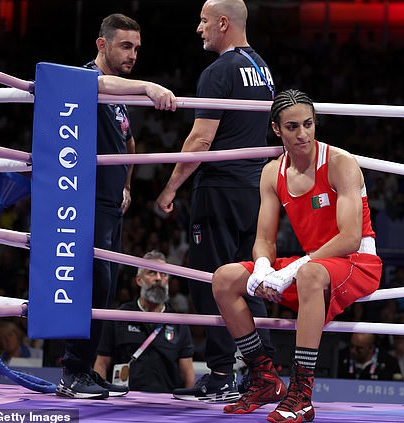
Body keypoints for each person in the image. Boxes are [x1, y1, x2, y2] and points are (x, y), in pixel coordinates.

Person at [211, 89, 382, 423]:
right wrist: (262, 265)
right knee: (224, 279)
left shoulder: (340, 163)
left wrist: (295, 269)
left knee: (309, 273)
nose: (302, 134)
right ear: (277, 129)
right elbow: (263, 239)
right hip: (314, 264)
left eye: (308, 124)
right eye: (292, 127)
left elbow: (349, 238)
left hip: (356, 261)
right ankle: (264, 378)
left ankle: (302, 393)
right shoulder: (271, 172)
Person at [156, 0, 275, 402]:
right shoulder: (262, 68)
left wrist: (170, 188)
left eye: (204, 20)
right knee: (251, 280)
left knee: (214, 282)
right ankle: (264, 372)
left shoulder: (219, 70)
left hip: (220, 190)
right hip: (255, 190)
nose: (199, 28)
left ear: (223, 23)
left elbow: (201, 139)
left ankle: (222, 373)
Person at [56, 13, 177, 400]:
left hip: (110, 203)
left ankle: (85, 372)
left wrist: (126, 185)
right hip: (83, 200)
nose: (133, 54)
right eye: (126, 46)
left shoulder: (118, 101)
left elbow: (128, 142)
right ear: (101, 45)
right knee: (88, 285)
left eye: (137, 48)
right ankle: (72, 371)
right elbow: (103, 82)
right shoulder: (86, 79)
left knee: (103, 289)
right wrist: (148, 86)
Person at [93, 251, 195, 393]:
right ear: (139, 280)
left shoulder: (178, 322)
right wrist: (100, 399)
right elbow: (102, 363)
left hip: (166, 404)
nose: (159, 278)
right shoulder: (118, 316)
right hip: (124, 402)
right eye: (152, 273)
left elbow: (187, 373)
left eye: (164, 274)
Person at [337, 333, 401, 381]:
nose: (353, 351)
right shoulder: (340, 357)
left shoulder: (389, 363)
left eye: (359, 348)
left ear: (371, 348)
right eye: (351, 346)